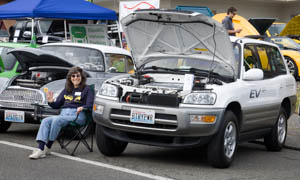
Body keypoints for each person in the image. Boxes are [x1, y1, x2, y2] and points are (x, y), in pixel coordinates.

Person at [29, 66, 94, 159]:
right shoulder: (66, 89)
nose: (76, 78)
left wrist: (83, 107)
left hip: (78, 115)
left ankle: (47, 147)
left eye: (78, 76)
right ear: (70, 78)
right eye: (73, 76)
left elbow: (90, 104)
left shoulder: (86, 89)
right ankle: (41, 148)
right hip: (63, 114)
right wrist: (51, 101)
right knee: (45, 121)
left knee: (57, 119)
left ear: (82, 77)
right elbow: (57, 105)